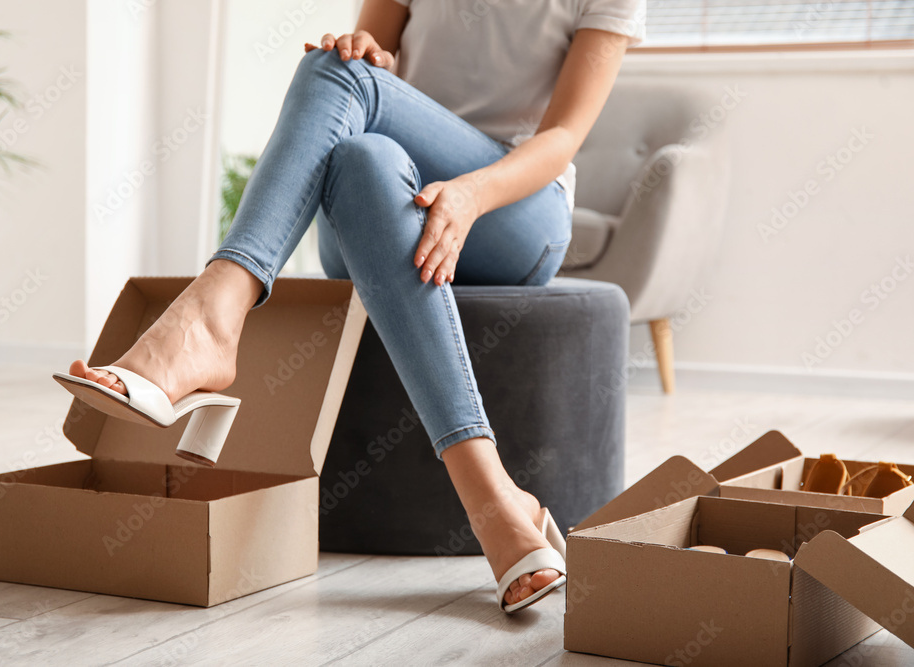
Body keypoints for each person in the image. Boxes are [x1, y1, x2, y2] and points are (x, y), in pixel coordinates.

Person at [60, 0, 645, 613]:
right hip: (392, 194)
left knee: (333, 81)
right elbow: (376, 55)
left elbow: (561, 137)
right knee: (354, 129)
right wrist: (370, 52)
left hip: (514, 209)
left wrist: (471, 195)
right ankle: (494, 497)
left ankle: (213, 316)